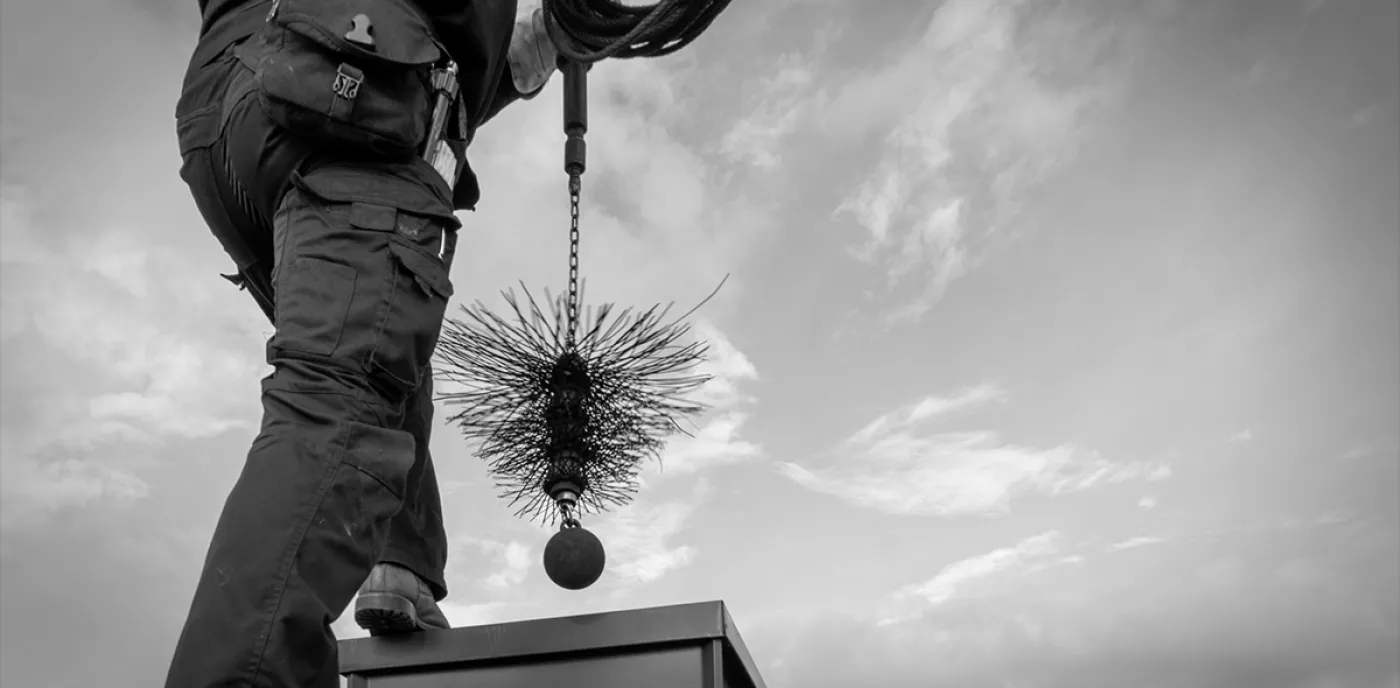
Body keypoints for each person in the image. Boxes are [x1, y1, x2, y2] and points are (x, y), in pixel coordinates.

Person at [165, 1, 560, 685]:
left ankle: (401, 563)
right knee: (335, 406)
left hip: (230, 115)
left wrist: (537, 43)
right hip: (342, 83)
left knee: (376, 333)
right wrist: (555, 34)